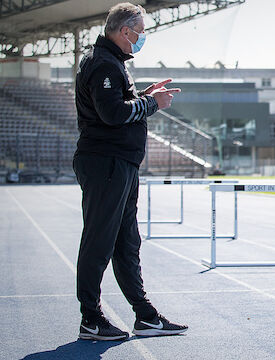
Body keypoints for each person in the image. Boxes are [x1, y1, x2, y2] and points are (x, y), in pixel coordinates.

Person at [73, 3, 187, 340]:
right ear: (125, 31)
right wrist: (152, 104)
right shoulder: (104, 64)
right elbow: (111, 114)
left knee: (126, 242)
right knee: (99, 241)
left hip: (118, 163)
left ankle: (145, 315)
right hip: (105, 162)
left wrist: (144, 95)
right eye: (139, 32)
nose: (141, 39)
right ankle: (91, 318)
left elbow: (119, 104)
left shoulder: (111, 63)